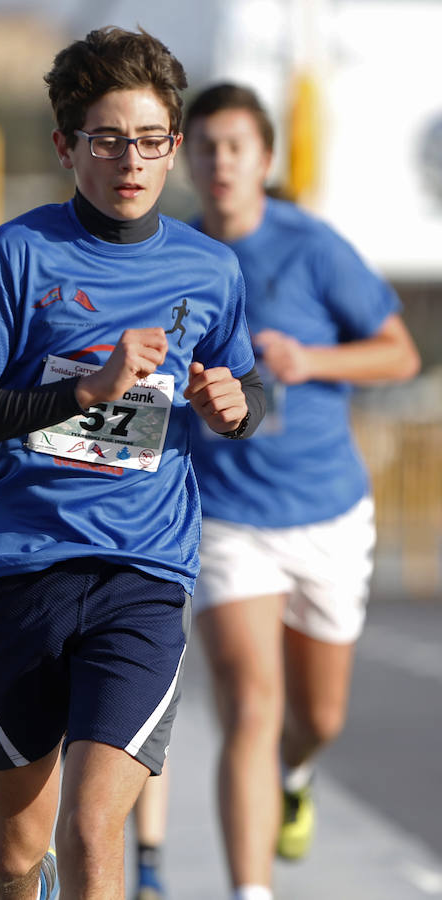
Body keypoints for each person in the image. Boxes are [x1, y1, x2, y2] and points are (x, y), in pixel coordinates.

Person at [0, 31, 266, 900]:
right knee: (14, 853)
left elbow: (247, 388)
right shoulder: (14, 255)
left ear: (174, 146)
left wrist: (239, 407)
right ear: (65, 145)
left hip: (143, 575)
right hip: (22, 569)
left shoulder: (211, 269)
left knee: (89, 828)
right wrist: (86, 393)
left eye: (150, 140)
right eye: (107, 139)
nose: (131, 160)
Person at [175, 83, 420, 900]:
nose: (219, 163)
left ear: (265, 159)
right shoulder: (171, 254)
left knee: (317, 720)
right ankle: (252, 891)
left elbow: (399, 356)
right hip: (226, 516)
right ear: (186, 157)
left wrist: (310, 362)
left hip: (326, 509)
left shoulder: (313, 247)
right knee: (250, 703)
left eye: (235, 146)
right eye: (204, 146)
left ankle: (298, 772)